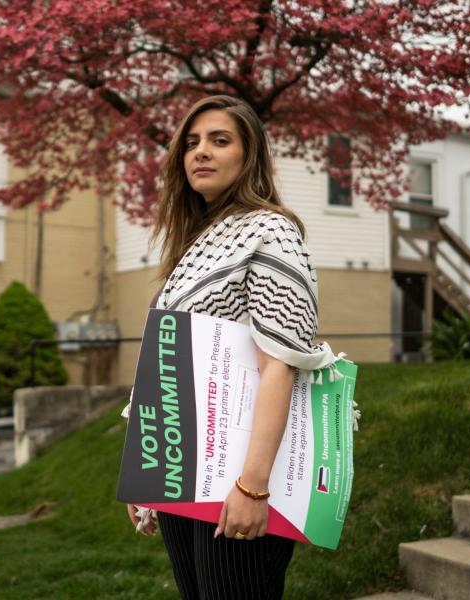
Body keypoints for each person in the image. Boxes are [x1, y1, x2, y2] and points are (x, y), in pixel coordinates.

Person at [124, 95, 339, 599]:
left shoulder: (271, 232)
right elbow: (165, 366)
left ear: (250, 157)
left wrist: (252, 487)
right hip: (182, 472)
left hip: (237, 478)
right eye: (192, 143)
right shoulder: (193, 246)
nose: (201, 152)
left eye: (220, 141)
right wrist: (142, 475)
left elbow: (280, 365)